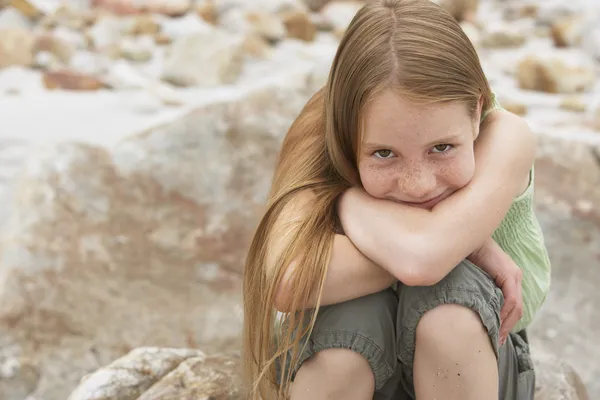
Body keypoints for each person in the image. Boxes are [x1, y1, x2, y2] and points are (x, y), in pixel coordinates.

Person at [242, 0, 551, 399]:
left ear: (475, 111)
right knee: (352, 319)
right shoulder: (319, 139)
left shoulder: (505, 135)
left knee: (448, 300)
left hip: (471, 369)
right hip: (352, 369)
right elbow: (289, 280)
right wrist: (463, 245)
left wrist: (348, 203)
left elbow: (423, 259)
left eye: (442, 147)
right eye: (384, 154)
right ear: (347, 131)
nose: (419, 185)